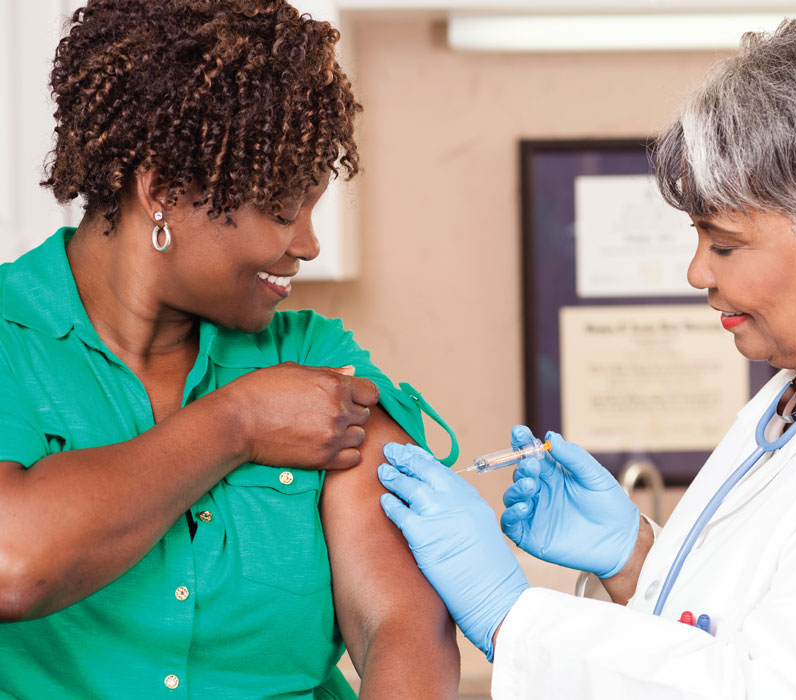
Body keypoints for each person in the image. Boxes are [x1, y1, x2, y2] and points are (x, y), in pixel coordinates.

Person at [376, 17, 796, 699]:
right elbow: (742, 627)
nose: (697, 272)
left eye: (725, 244)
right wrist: (637, 560)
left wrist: (511, 617)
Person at [0, 1, 460, 698]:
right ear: (161, 193)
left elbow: (401, 622)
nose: (306, 244)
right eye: (283, 210)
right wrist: (236, 423)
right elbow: (14, 562)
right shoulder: (11, 338)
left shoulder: (312, 355)